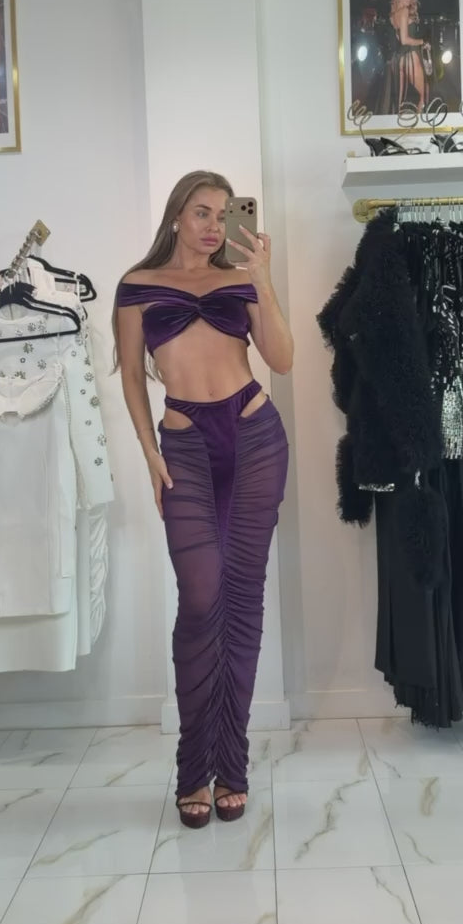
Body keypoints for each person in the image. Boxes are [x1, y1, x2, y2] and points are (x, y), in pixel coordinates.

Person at [114, 171, 293, 829]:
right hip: (184, 446)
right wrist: (149, 452)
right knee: (200, 597)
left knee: (242, 597)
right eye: (202, 213)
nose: (215, 226)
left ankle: (232, 764)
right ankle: (194, 764)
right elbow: (132, 378)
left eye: (223, 214)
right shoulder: (137, 285)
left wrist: (263, 279)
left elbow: (283, 358)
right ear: (176, 216)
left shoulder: (241, 280)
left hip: (255, 436)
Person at [366, 0, 432, 116]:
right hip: (411, 57)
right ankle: (421, 121)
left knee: (400, 101)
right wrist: (423, 42)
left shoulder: (393, 15)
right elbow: (404, 40)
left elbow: (398, 38)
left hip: (399, 59)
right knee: (424, 94)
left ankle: (400, 122)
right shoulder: (405, 11)